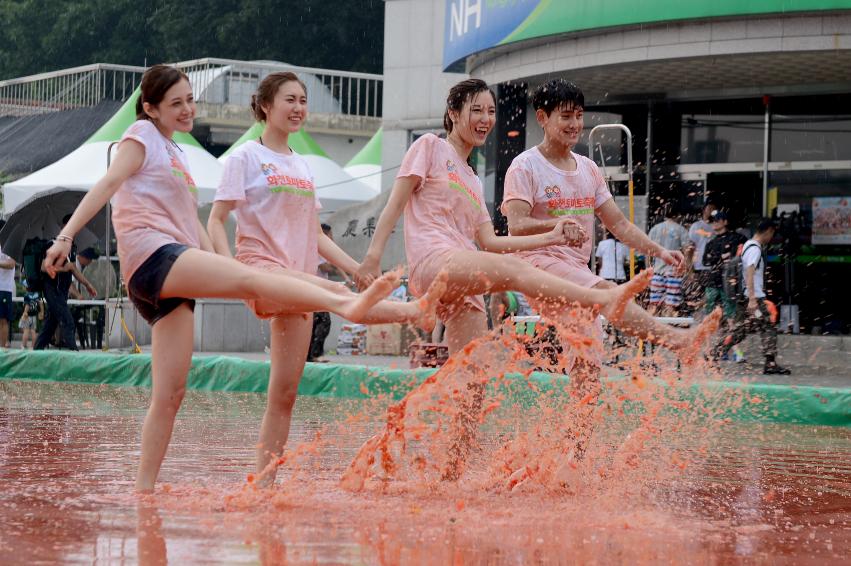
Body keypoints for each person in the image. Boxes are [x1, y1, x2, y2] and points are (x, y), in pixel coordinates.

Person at [43, 65, 420, 493]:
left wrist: (216, 266)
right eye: (176, 103)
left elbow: (196, 223)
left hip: (172, 276)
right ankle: (344, 303)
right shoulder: (142, 136)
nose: (187, 109)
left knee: (171, 394)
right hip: (154, 257)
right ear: (149, 108)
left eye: (190, 100)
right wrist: (66, 236)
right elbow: (109, 182)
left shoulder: (179, 153)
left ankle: (142, 491)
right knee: (251, 280)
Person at [207, 71, 447, 486]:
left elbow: (315, 235)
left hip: (301, 279)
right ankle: (415, 311)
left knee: (284, 394)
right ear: (266, 105)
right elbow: (217, 219)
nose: (299, 108)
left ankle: (263, 484)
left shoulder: (300, 164)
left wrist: (356, 269)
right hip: (262, 269)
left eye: (303, 100)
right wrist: (231, 273)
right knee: (338, 296)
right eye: (290, 100)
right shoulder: (244, 157)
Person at [356, 78, 651, 357]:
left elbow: (490, 241)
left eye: (491, 111)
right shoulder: (430, 147)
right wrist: (372, 257)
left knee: (472, 377)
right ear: (453, 113)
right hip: (434, 259)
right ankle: (600, 298)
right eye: (476, 110)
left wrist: (552, 235)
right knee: (513, 268)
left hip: (464, 272)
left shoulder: (472, 179)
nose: (485, 119)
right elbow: (395, 205)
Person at [501, 79, 720, 369]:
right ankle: (678, 341)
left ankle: (581, 414)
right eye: (565, 116)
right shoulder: (525, 165)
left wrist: (660, 252)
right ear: (542, 117)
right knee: (607, 292)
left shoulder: (588, 168)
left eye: (579, 116)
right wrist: (555, 228)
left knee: (587, 357)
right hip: (539, 266)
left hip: (575, 272)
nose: (575, 124)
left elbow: (620, 225)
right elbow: (516, 226)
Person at [714, 218, 790, 375]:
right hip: (753, 297)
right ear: (768, 231)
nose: (771, 238)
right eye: (772, 234)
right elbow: (749, 271)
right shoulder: (755, 248)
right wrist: (753, 299)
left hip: (745, 296)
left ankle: (713, 354)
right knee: (768, 325)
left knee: (740, 331)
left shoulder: (748, 244)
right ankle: (770, 363)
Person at [35, 215, 97, 350]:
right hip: (52, 290)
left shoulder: (72, 248)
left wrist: (88, 285)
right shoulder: (53, 244)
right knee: (68, 322)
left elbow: (74, 269)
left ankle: (35, 353)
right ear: (64, 227)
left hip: (62, 292)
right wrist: (63, 269)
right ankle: (74, 355)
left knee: (49, 326)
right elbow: (43, 267)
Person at [309, 224, 348, 362]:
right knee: (323, 322)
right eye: (330, 235)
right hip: (314, 291)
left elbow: (336, 264)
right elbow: (326, 266)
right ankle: (314, 355)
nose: (332, 238)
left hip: (320, 291)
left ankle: (311, 355)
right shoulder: (317, 249)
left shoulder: (325, 251)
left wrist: (347, 277)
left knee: (316, 323)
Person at [701, 210, 746, 326]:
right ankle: (707, 337)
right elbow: (705, 260)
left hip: (728, 280)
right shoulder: (711, 242)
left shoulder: (736, 238)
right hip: (712, 280)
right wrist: (721, 257)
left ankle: (732, 337)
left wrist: (716, 257)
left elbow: (736, 255)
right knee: (708, 309)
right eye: (712, 221)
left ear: (725, 222)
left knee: (730, 311)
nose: (714, 223)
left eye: (717, 220)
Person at [647, 204, 689, 316]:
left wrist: (649, 269)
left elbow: (648, 252)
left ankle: (652, 329)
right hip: (674, 272)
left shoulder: (655, 229)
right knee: (671, 304)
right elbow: (687, 251)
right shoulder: (681, 230)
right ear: (678, 215)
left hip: (657, 272)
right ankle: (669, 327)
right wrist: (689, 270)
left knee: (654, 304)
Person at [76, 247, 117, 350]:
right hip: (76, 299)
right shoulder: (75, 264)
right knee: (76, 317)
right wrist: (78, 295)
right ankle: (79, 344)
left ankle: (97, 344)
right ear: (85, 257)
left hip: (86, 299)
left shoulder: (81, 266)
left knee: (100, 316)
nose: (90, 263)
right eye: (89, 260)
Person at [687, 201, 717, 312]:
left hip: (714, 268)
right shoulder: (696, 226)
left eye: (714, 209)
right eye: (710, 208)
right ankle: (699, 320)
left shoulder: (717, 226)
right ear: (704, 209)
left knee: (711, 297)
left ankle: (708, 320)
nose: (712, 212)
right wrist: (690, 270)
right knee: (698, 295)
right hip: (699, 266)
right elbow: (690, 249)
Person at [19, 285, 44, 349]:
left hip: (27, 315)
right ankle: (33, 345)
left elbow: (27, 305)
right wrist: (41, 312)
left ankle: (23, 345)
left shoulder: (27, 295)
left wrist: (25, 312)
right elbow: (40, 303)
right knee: (33, 331)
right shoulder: (37, 295)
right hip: (34, 316)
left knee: (26, 331)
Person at [0, 247, 15, 348]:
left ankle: (2, 349)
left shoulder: (9, 247)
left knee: (3, 320)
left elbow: (11, 264)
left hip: (4, 288)